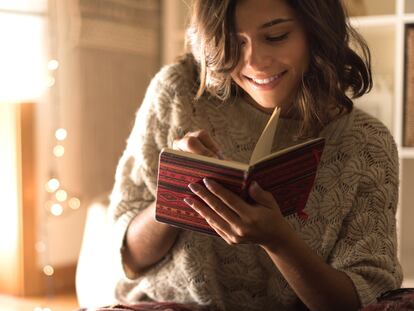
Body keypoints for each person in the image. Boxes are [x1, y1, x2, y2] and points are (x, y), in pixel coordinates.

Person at [108, 0, 402, 310]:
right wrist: (179, 189)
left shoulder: (366, 144)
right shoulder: (180, 94)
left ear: (317, 32)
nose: (254, 61)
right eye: (233, 42)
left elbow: (363, 299)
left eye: (276, 37)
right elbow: (129, 260)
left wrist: (279, 241)